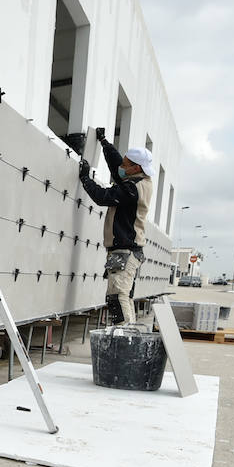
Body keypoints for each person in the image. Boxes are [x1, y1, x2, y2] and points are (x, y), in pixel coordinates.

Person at [77, 128, 156, 325]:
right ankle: (127, 338)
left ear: (136, 168)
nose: (122, 166)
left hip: (125, 252)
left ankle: (123, 339)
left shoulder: (133, 189)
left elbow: (103, 197)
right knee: (124, 297)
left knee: (118, 298)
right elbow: (117, 164)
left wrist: (85, 178)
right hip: (128, 251)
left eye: (126, 164)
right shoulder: (139, 180)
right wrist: (104, 143)